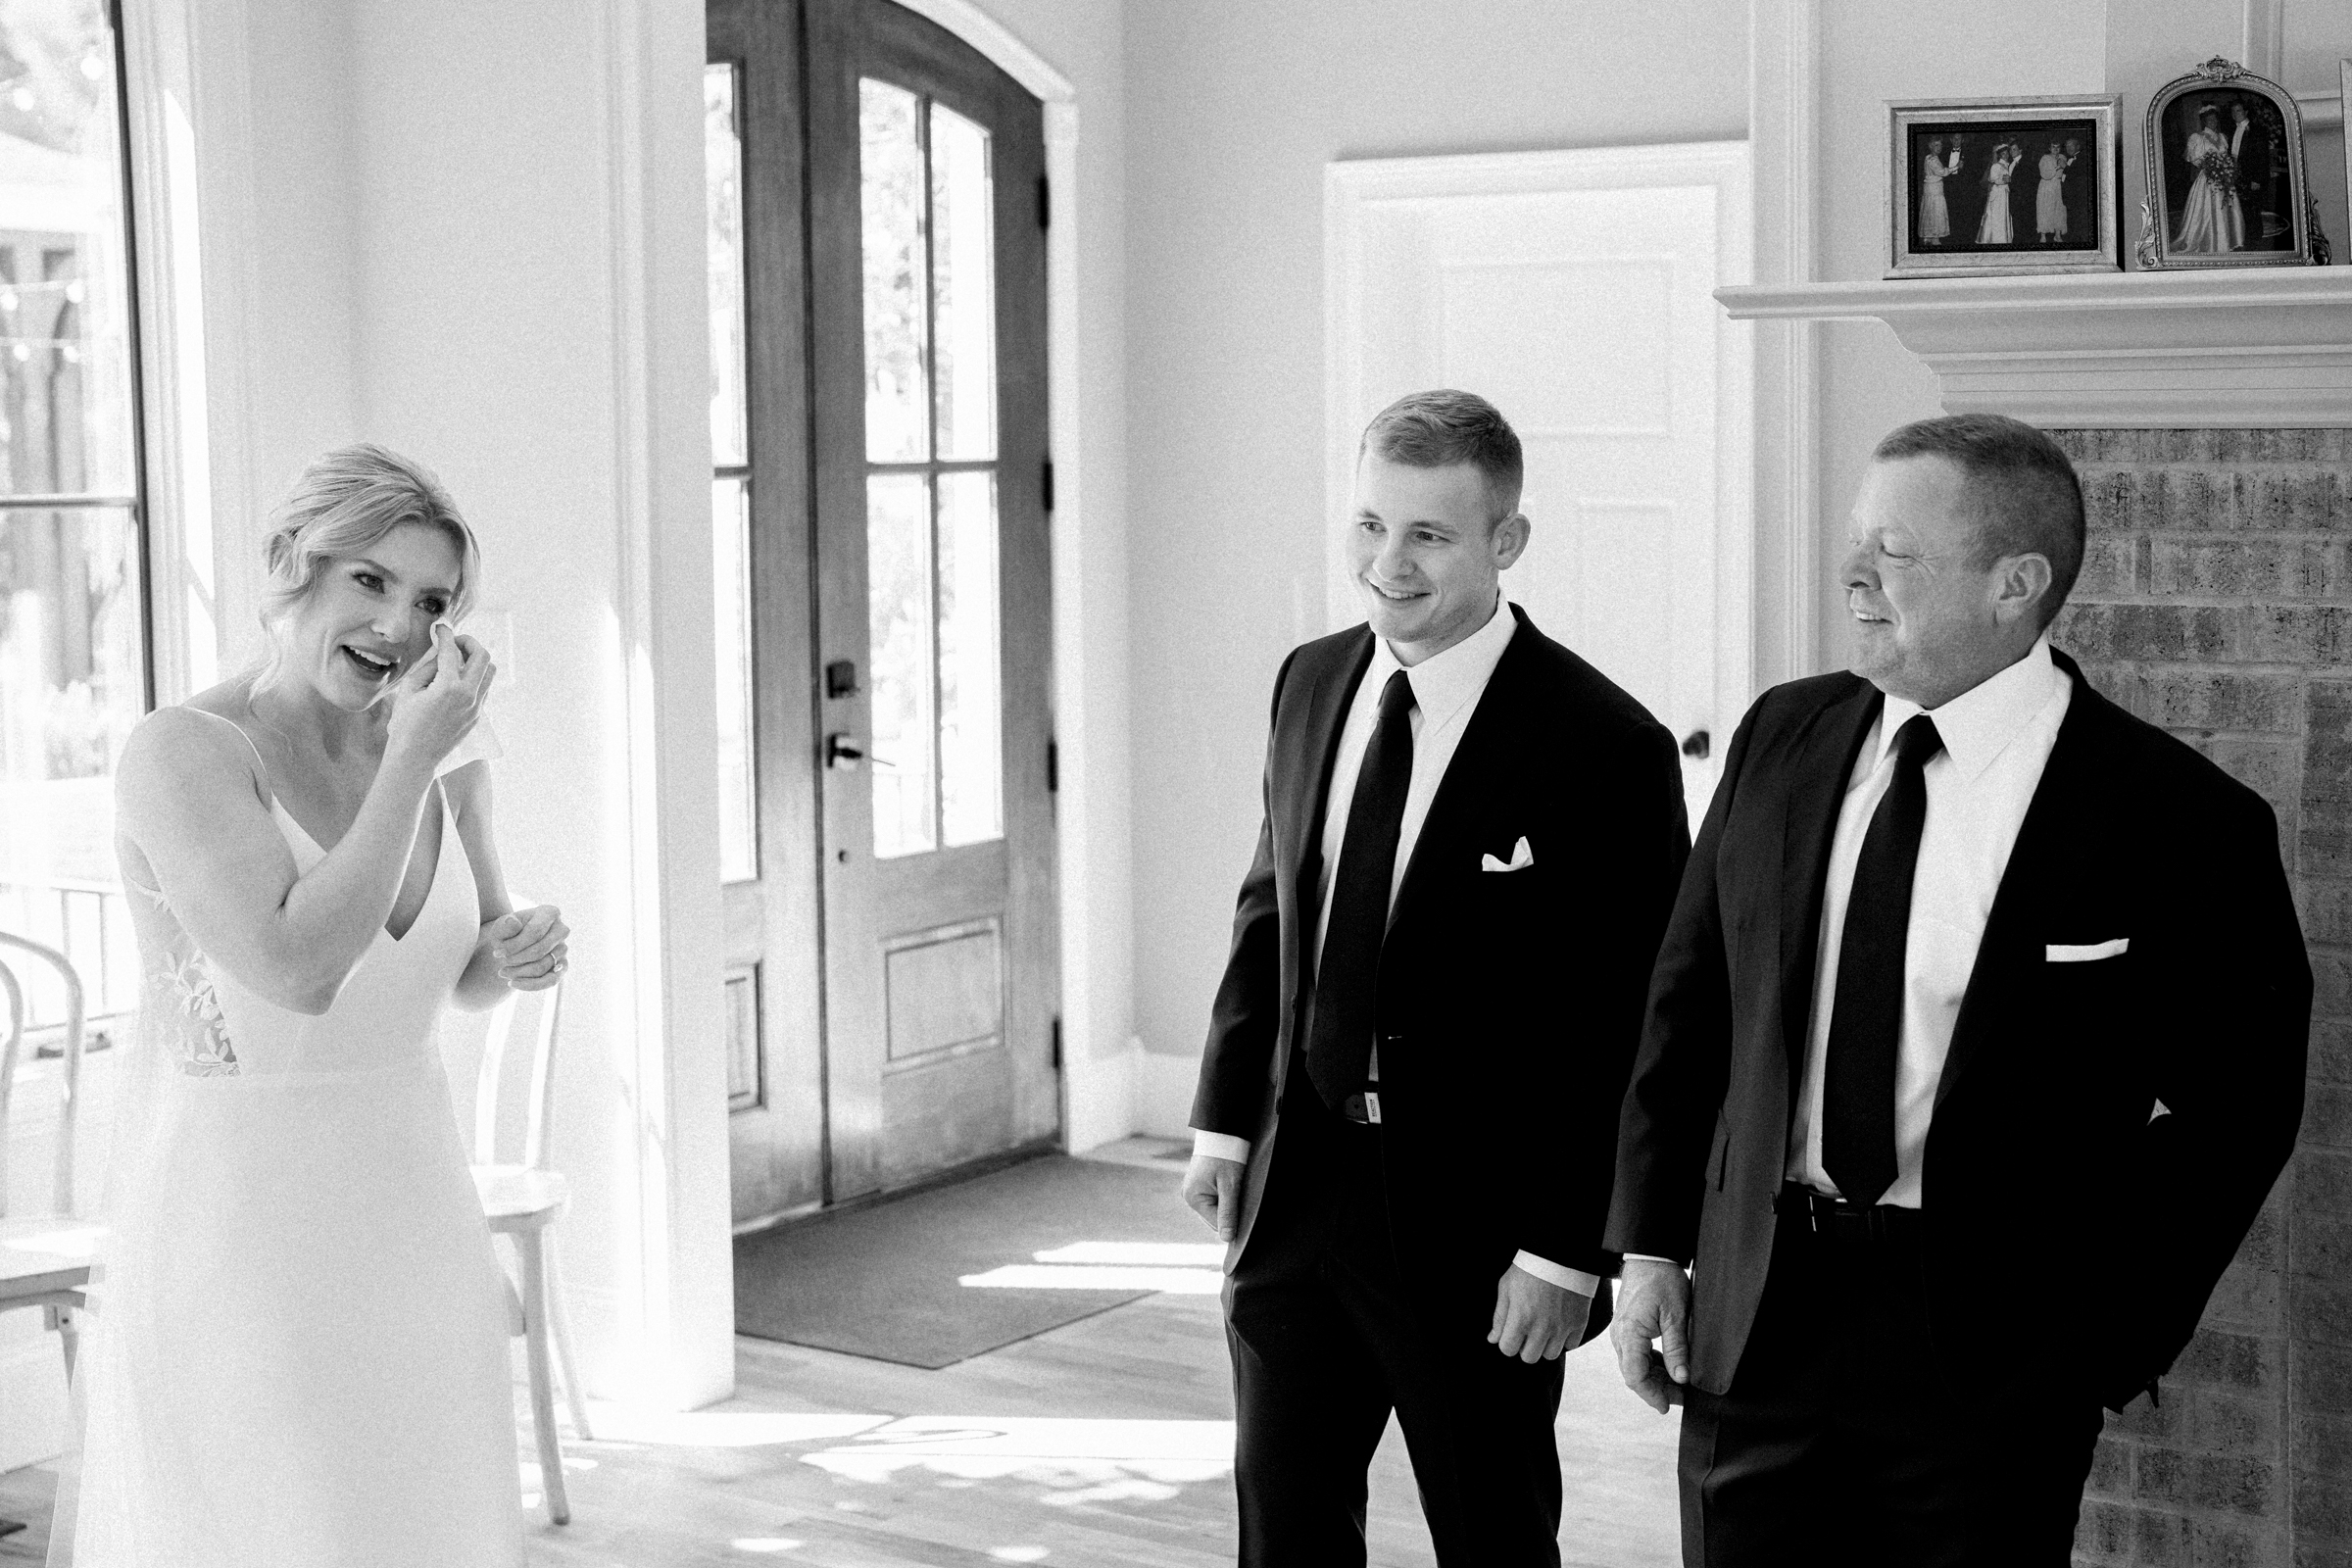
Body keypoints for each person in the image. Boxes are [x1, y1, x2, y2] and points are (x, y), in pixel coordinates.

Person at [1605, 413, 2310, 1567]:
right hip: (1757, 1317)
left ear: (2014, 584)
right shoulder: (1783, 734)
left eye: (1894, 553)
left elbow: (2241, 1111)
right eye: (1854, 544)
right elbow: (1689, 1010)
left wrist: (2096, 1340)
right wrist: (1647, 1251)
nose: (1851, 577)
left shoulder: (2182, 821)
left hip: (1992, 1358)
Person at [1182, 389, 1688, 1565]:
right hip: (1294, 1182)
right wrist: (1222, 1124)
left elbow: (1623, 1026)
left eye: (1428, 535)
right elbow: (1273, 907)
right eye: (1369, 525)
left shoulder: (1606, 746)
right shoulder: (1309, 681)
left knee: (1494, 1536)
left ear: (1506, 542)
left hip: (1481, 1230)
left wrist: (1567, 1251)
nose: (1387, 564)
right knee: (1285, 1530)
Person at [52, 445, 570, 1567]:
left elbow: (455, 970)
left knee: (425, 1525)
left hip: (414, 1206)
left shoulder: (446, 749)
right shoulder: (182, 752)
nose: (399, 625)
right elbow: (298, 968)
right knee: (285, 1528)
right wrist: (409, 761)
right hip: (246, 1228)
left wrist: (513, 946)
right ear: (295, 568)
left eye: (431, 600)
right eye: (370, 582)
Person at [2172, 103, 2244, 252]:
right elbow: (2193, 158)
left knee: (2228, 208)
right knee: (2208, 211)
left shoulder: (2223, 137)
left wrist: (2225, 167)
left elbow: (2226, 156)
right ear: (2204, 121)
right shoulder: (2197, 138)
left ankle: (2230, 239)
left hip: (2224, 178)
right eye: (2210, 120)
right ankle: (2209, 241)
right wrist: (2210, 166)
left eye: (2215, 119)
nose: (2213, 122)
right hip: (2208, 179)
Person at [1974, 143, 2022, 244]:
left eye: (2006, 153)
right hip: (1998, 194)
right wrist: (2005, 180)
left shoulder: (2008, 164)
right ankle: (1994, 238)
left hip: (2005, 194)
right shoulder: (1995, 166)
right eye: (2003, 154)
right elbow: (1993, 179)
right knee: (1997, 216)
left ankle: (2004, 238)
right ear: (1999, 155)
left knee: (2004, 215)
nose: (2006, 155)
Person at [1918, 137, 1961, 246]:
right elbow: (1942, 172)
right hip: (1934, 189)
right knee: (1935, 211)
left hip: (1931, 188)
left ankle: (1928, 236)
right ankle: (1934, 237)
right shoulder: (1932, 159)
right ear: (1930, 146)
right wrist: (1956, 167)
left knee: (1930, 210)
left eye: (1940, 145)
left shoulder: (1929, 157)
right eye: (1936, 145)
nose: (1939, 148)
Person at [2060, 136, 2094, 248]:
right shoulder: (2070, 159)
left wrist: (2065, 167)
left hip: (2078, 199)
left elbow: (2078, 176)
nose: (2069, 148)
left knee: (2078, 225)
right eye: (2067, 146)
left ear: (2078, 146)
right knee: (2071, 223)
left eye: (2071, 145)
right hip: (2069, 198)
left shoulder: (2082, 159)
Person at [2034, 140, 2070, 242]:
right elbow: (2045, 174)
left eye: (2058, 147)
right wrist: (2057, 167)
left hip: (2058, 186)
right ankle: (2043, 235)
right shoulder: (2044, 158)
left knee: (2059, 210)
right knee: (2045, 209)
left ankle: (2057, 234)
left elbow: (2066, 172)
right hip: (2047, 186)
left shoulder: (2063, 157)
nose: (2055, 149)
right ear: (2049, 148)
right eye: (2053, 147)